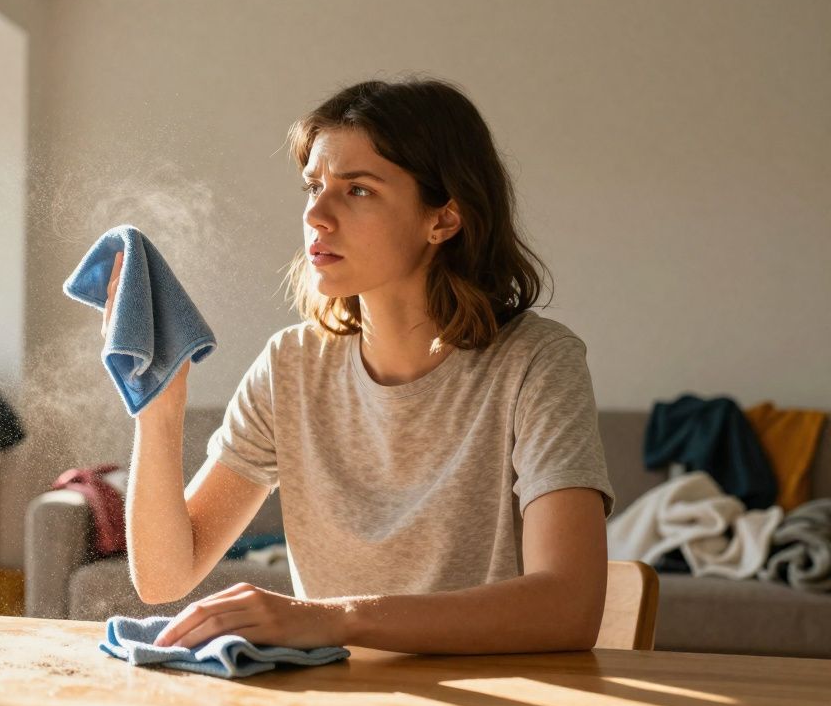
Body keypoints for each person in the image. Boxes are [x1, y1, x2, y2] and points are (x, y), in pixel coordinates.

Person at [100, 74, 615, 654]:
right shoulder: (291, 364)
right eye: (312, 186)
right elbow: (164, 578)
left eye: (358, 190)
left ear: (443, 219)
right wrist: (159, 409)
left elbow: (569, 608)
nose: (316, 214)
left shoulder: (537, 362)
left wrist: (336, 619)